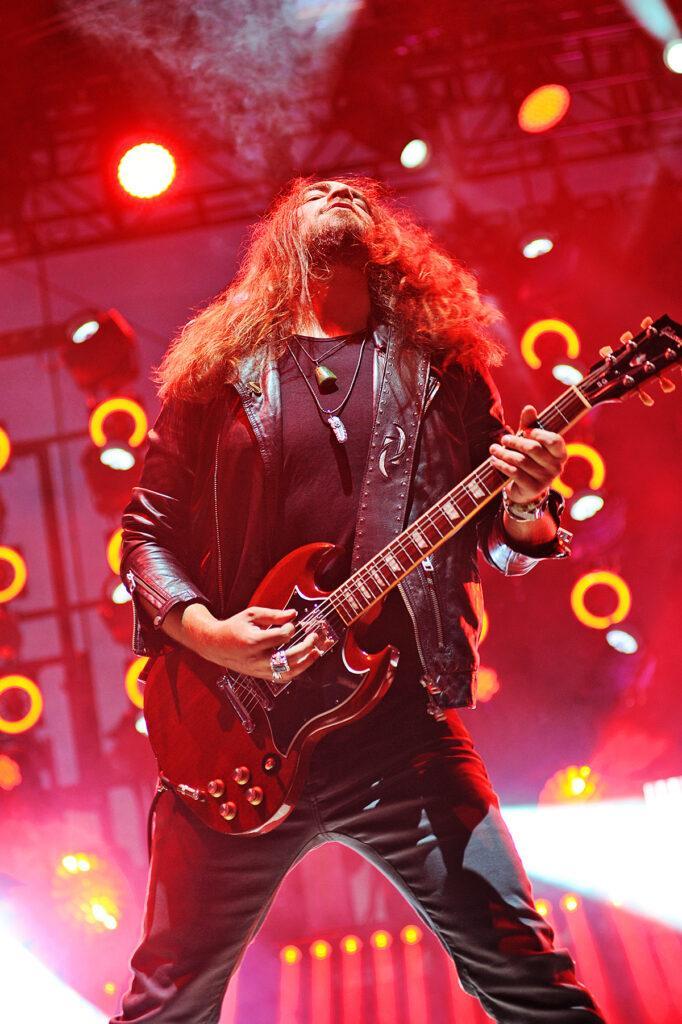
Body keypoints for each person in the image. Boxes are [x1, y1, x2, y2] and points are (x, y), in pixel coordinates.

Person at [113, 177, 605, 1022]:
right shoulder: (217, 377)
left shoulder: (443, 372)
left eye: (353, 190)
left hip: (400, 735)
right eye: (315, 192)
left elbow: (499, 537)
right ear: (278, 242)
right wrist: (213, 636)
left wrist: (526, 504)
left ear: (386, 244)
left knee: (530, 979)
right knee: (166, 1005)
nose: (339, 188)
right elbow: (144, 536)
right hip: (234, 739)